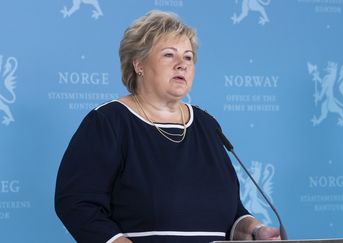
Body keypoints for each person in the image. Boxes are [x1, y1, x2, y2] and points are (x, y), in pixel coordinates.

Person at [55, 10, 281, 243]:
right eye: (169, 55)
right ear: (139, 64)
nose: (181, 65)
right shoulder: (109, 122)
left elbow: (231, 213)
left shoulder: (207, 125)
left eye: (188, 57)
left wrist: (255, 230)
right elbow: (76, 203)